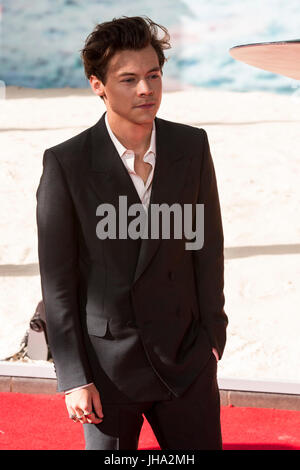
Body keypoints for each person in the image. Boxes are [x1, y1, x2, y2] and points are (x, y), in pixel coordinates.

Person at [36, 16, 228, 450]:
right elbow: (58, 282)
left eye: (153, 75)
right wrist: (74, 378)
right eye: (129, 79)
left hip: (186, 360)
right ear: (97, 85)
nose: (146, 89)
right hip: (105, 372)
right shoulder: (66, 165)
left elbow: (206, 246)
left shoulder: (191, 146)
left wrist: (212, 338)